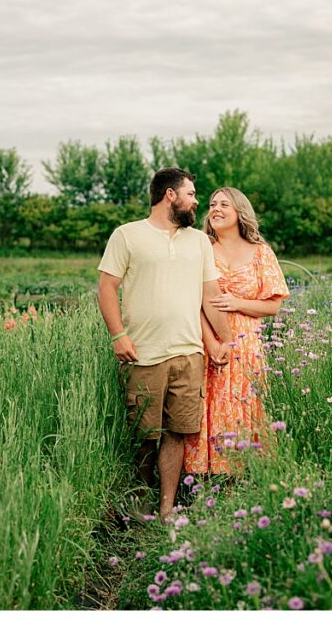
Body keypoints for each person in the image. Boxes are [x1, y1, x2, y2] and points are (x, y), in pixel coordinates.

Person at [97, 167, 233, 521]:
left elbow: (210, 295)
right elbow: (106, 287)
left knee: (178, 432)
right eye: (190, 194)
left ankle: (166, 506)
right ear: (170, 195)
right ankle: (141, 501)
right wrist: (117, 335)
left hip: (189, 352)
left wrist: (225, 341)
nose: (196, 201)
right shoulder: (127, 236)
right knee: (144, 434)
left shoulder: (199, 241)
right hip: (143, 353)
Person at [183, 187, 289, 474]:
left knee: (243, 403)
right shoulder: (201, 246)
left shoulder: (261, 253)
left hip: (246, 342)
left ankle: (243, 471)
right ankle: (203, 474)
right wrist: (212, 341)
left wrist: (237, 302)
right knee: (207, 401)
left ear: (240, 212)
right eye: (212, 204)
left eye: (224, 205)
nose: (215, 209)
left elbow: (273, 306)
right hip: (205, 337)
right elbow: (192, 301)